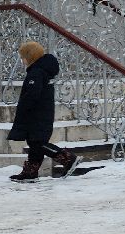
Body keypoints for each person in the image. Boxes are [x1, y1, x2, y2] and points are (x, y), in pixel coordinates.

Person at [6, 41, 78, 182]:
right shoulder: (41, 71)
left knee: (38, 143)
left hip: (37, 114)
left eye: (23, 57)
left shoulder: (36, 73)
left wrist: (24, 109)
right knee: (35, 144)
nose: (22, 60)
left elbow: (32, 95)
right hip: (42, 113)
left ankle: (67, 158)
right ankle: (30, 172)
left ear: (30, 56)